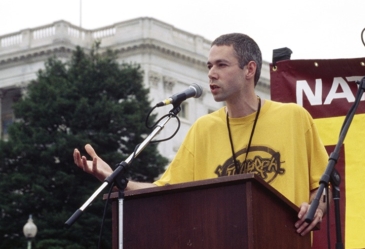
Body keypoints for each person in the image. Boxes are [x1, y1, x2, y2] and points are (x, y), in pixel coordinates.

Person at [74, 33, 329, 236]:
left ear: (249, 69)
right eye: (209, 66)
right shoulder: (203, 129)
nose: (211, 73)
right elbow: (166, 189)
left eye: (221, 64)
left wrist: (316, 207)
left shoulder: (294, 118)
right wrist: (117, 180)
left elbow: (322, 186)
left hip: (282, 240)